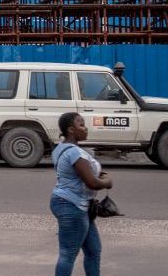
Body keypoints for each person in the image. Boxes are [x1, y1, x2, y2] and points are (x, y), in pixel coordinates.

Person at [51, 112, 112, 276]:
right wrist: (108, 182)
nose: (86, 128)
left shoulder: (61, 148)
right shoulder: (74, 153)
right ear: (71, 130)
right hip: (72, 205)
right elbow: (92, 182)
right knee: (68, 253)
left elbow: (84, 174)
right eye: (81, 125)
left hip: (76, 205)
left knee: (93, 250)